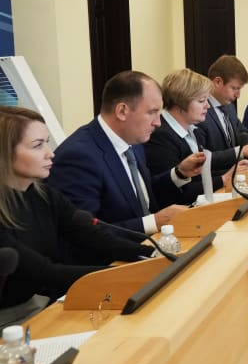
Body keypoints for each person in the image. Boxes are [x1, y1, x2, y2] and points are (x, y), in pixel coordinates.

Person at [0, 107, 152, 315]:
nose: (50, 153)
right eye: (37, 145)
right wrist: (129, 274)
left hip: (40, 304)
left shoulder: (44, 195)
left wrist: (153, 255)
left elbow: (93, 236)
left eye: (47, 142)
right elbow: (45, 272)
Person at [48, 71, 204, 236]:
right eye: (152, 112)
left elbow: (140, 195)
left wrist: (178, 173)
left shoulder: (132, 139)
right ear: (122, 111)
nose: (158, 122)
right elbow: (82, 233)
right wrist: (153, 222)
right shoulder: (78, 156)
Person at [145, 69, 248, 206]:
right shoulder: (161, 136)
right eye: (201, 101)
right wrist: (223, 179)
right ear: (180, 102)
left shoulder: (191, 128)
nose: (208, 106)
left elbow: (199, 175)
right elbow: (172, 193)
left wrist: (232, 172)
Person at [194, 55, 248, 173]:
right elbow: (202, 158)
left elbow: (242, 133)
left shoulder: (228, 106)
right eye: (234, 88)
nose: (238, 95)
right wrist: (240, 152)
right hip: (218, 178)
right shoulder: (199, 112)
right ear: (218, 82)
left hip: (239, 171)